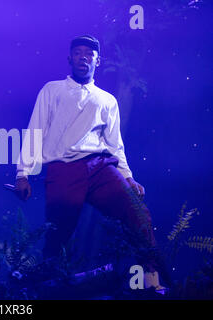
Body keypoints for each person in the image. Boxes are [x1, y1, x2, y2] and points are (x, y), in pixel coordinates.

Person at [14, 35, 168, 291]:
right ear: (69, 59)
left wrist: (127, 176)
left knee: (136, 210)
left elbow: (115, 144)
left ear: (98, 60)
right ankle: (45, 285)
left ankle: (151, 279)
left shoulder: (107, 99)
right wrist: (23, 174)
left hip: (100, 167)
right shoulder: (52, 90)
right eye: (77, 52)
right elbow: (35, 130)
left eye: (89, 53)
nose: (83, 56)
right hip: (64, 167)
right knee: (58, 231)